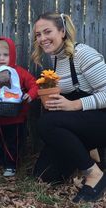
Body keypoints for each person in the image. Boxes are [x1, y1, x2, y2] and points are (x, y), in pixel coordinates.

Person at [31, 12, 106, 203]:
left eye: (47, 32)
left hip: (101, 120)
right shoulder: (56, 59)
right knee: (45, 175)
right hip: (83, 124)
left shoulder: (82, 54)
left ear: (63, 31)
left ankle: (94, 174)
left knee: (46, 123)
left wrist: (73, 104)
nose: (42, 38)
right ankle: (91, 152)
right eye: (38, 35)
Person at [0, 37, 38, 177]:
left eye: (6, 55)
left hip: (16, 116)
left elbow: (34, 84)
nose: (2, 58)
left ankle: (11, 164)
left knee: (13, 142)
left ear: (13, 55)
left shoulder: (20, 72)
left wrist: (30, 95)